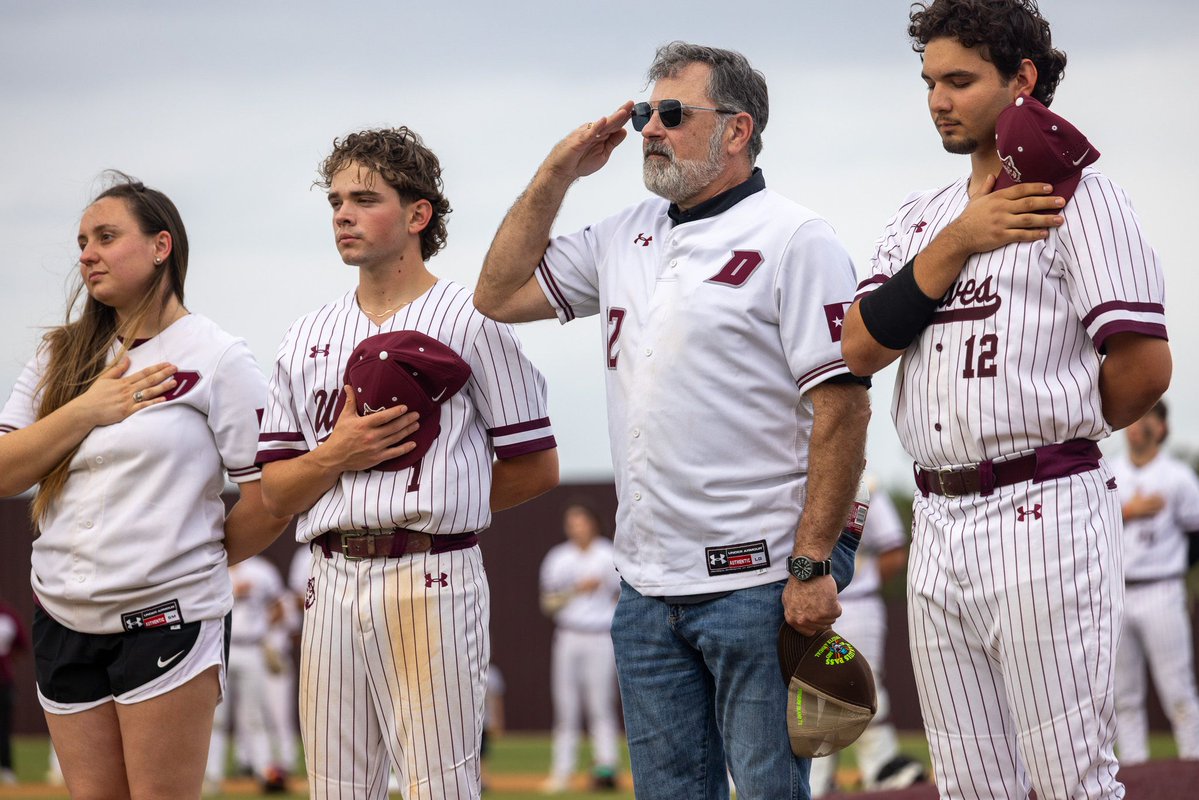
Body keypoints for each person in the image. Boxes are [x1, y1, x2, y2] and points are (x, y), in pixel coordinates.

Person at [474, 41, 870, 800]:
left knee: (764, 790)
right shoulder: (624, 232)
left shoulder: (795, 237)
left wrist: (812, 563)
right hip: (647, 587)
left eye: (670, 114)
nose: (649, 129)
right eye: (642, 113)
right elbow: (496, 293)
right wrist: (557, 173)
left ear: (736, 129)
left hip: (756, 579)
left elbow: (842, 409)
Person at [841, 1, 1172, 797]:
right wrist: (958, 236)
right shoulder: (919, 216)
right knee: (968, 785)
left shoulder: (1079, 199)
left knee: (1069, 781)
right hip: (937, 518)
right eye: (929, 82)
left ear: (1022, 79)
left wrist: (1056, 421)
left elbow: (1143, 369)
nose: (937, 100)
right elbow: (858, 346)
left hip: (1043, 508)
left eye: (959, 80)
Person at [256, 127, 559, 800]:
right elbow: (275, 491)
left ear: (418, 214)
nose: (342, 213)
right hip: (329, 575)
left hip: (431, 567)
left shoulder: (473, 317)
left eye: (365, 198)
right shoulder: (305, 334)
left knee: (439, 786)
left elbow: (535, 466)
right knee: (336, 789)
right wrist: (336, 456)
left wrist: (441, 504)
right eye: (335, 200)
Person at [0, 174, 290, 799]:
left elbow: (268, 498)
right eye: (82, 241)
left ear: (162, 246)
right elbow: (4, 471)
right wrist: (88, 408)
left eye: (106, 237)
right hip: (62, 614)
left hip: (167, 616)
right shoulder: (60, 356)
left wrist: (186, 560)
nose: (87, 254)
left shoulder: (218, 357)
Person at [807, 486, 925, 796]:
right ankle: (817, 778)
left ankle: (880, 768)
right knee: (812, 694)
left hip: (856, 603)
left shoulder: (865, 485)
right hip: (807, 604)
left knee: (863, 688)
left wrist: (860, 582)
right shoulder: (793, 478)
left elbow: (894, 550)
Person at [1110, 400, 1199, 764]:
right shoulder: (1109, 472)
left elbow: (1195, 536)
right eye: (1134, 415)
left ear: (1161, 427)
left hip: (1161, 587)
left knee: (1177, 689)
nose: (1137, 424)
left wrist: (1173, 567)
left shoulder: (1178, 477)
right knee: (1123, 696)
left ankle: (1192, 765)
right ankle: (1134, 772)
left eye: (1147, 416)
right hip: (1117, 591)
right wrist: (1127, 512)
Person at [538, 503, 621, 793]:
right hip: (569, 634)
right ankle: (562, 772)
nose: (576, 527)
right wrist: (576, 590)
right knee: (566, 706)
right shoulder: (558, 558)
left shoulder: (608, 554)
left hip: (600, 635)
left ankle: (606, 766)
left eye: (581, 521)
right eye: (571, 522)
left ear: (593, 523)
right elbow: (547, 603)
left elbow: (623, 595)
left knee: (601, 704)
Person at [205, 555, 288, 794]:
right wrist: (232, 595)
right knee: (216, 717)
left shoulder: (262, 570)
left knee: (255, 714)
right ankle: (212, 775)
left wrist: (264, 631)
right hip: (220, 648)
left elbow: (279, 607)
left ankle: (264, 771)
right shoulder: (211, 566)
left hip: (251, 646)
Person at [0, 597, 28, 786]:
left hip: (3, 682)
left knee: (3, 728)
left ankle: (7, 769)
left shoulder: (9, 616)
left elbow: (22, 645)